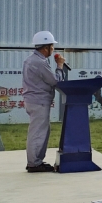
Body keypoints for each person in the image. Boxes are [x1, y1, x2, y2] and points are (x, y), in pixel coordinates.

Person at [22, 31, 65, 172]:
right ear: (46, 47)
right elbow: (55, 80)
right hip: (38, 102)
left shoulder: (31, 60)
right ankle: (34, 163)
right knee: (38, 133)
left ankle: (36, 161)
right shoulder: (39, 62)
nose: (53, 49)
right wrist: (60, 66)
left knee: (40, 131)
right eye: (52, 46)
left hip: (34, 101)